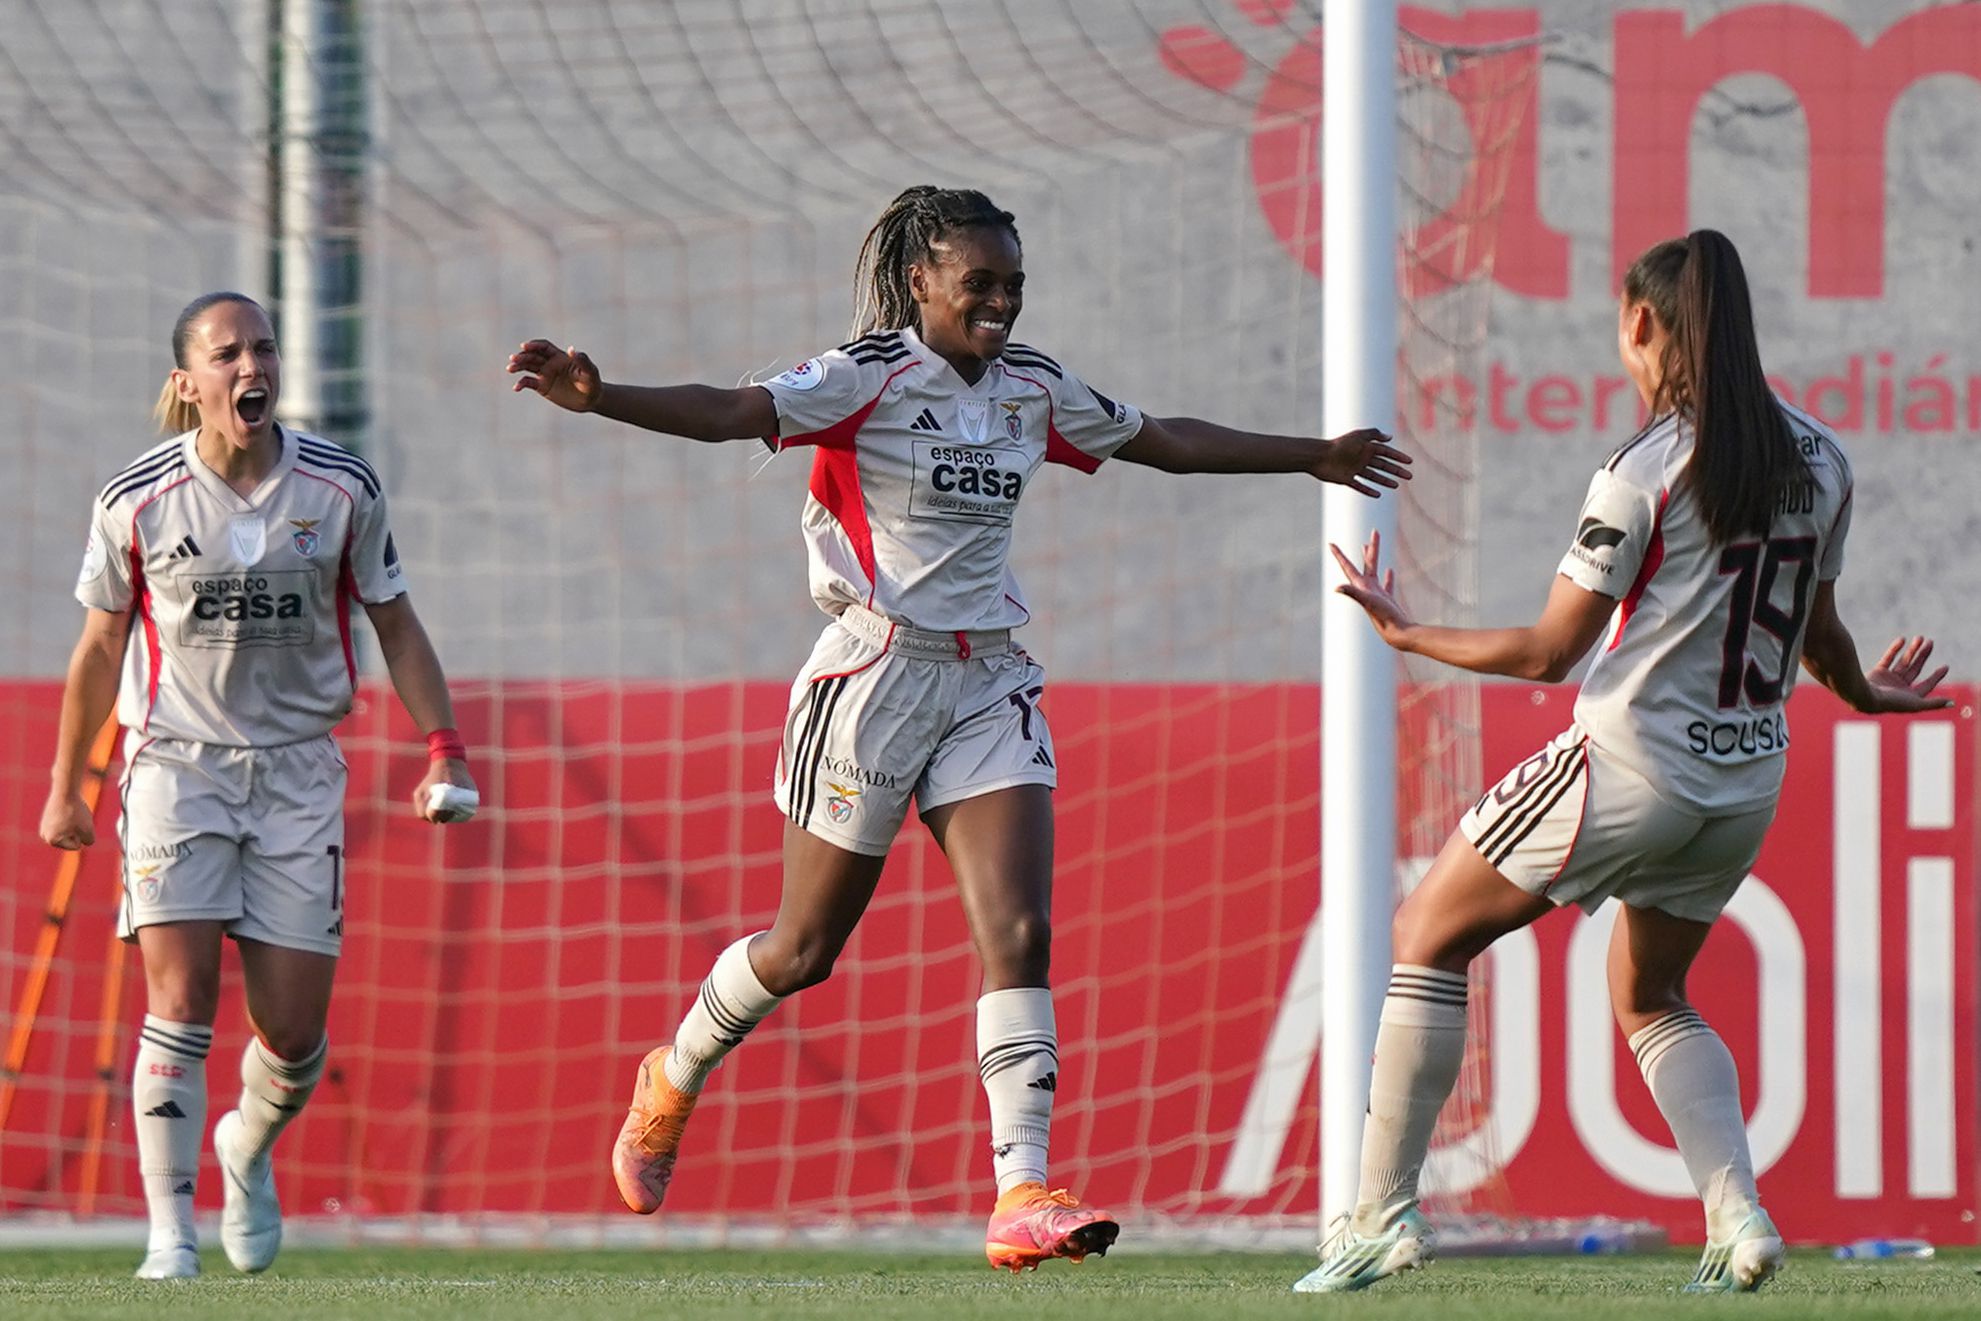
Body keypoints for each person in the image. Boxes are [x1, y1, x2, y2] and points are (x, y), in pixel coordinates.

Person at [507, 184, 1411, 1270]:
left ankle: (1020, 1187)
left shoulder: (1033, 389)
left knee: (1018, 931)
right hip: (873, 678)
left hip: (988, 680)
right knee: (802, 951)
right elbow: (733, 411)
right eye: (978, 282)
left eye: (1013, 286)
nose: (1000, 303)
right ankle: (675, 1071)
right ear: (921, 280)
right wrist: (600, 396)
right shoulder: (864, 376)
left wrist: (1308, 454)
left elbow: (1162, 439)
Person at [1302, 229, 1949, 1294]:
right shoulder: (1821, 459)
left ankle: (1377, 1220)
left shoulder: (1644, 467)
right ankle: (1738, 1218)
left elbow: (1549, 652)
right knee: (1650, 994)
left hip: (1628, 763)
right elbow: (1817, 634)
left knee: (1424, 932)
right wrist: (1866, 694)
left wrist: (1409, 633)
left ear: (1641, 325)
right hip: (1743, 783)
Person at [39, 292, 478, 1279]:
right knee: (181, 993)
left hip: (297, 778)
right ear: (186, 383)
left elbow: (396, 625)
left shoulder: (341, 489)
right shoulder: (137, 500)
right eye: (226, 353)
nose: (251, 367)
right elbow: (99, 645)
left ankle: (246, 1147)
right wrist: (66, 786)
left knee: (292, 1029)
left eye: (263, 348)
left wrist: (443, 745)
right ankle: (170, 1234)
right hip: (174, 772)